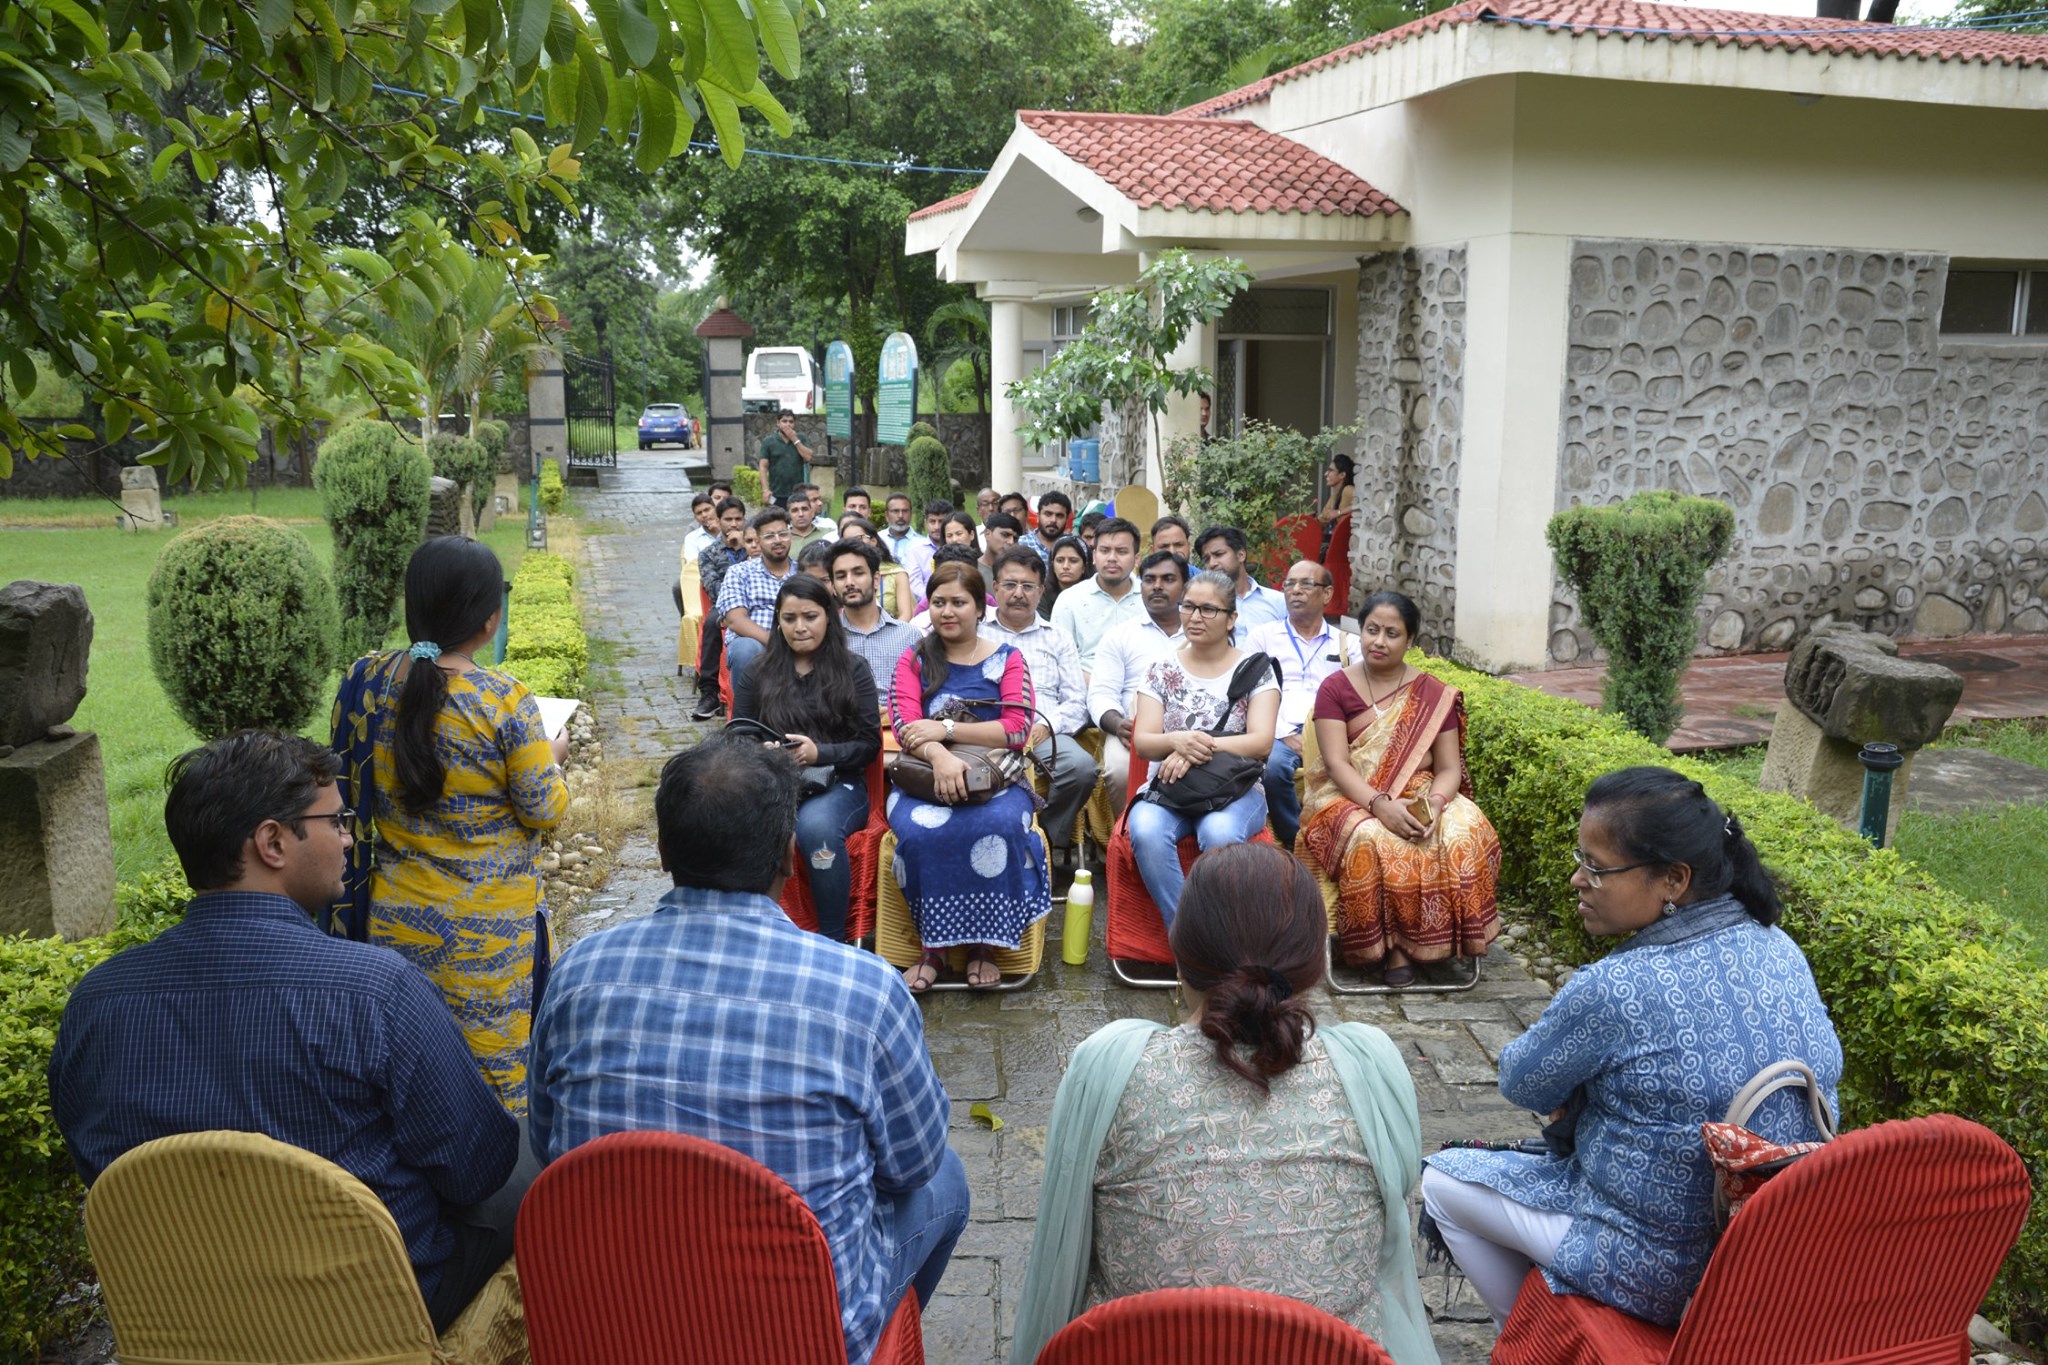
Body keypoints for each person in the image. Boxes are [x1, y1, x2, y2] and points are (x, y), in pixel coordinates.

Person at [49, 731, 525, 1333]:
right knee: (532, 1159)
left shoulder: (95, 1003)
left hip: (186, 1317)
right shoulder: (376, 992)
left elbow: (102, 1168)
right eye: (337, 820)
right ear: (273, 841)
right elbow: (474, 1168)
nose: (350, 837)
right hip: (373, 1314)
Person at [529, 734, 969, 1364]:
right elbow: (913, 1165)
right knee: (948, 1178)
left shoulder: (576, 975)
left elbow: (549, 1149)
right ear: (789, 857)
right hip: (799, 1336)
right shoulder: (865, 990)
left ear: (660, 852)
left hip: (613, 1320)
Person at [1421, 768, 1843, 1331]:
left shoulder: (1616, 986)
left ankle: (1534, 1336)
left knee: (1443, 1182)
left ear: (1673, 879)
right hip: (1778, 1252)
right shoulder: (1778, 944)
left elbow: (1522, 1081)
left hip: (1669, 1270)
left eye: (1596, 868)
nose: (1576, 879)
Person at [1009, 844, 1438, 1365]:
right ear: (1314, 961)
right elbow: (1390, 1238)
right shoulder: (1371, 1067)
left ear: (1178, 949)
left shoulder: (1109, 1067)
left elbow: (1060, 1254)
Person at [330, 536, 570, 1112]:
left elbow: (343, 777)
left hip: (390, 923)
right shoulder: (503, 700)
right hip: (488, 937)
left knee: (410, 1075)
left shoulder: (366, 680)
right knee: (493, 1083)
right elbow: (545, 809)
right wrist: (551, 756)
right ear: (490, 620)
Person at [1298, 590, 1501, 987]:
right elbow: (1337, 764)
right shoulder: (1335, 689)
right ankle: (1390, 948)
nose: (1379, 641)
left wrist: (1436, 805)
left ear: (1410, 641)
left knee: (1463, 831)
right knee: (1373, 839)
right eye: (1372, 630)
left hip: (1424, 790)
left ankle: (1438, 941)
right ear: (1359, 633)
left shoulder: (1432, 693)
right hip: (1348, 792)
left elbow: (1448, 769)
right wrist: (1380, 805)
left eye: (1392, 633)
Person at [889, 560, 1052, 991]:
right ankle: (934, 948)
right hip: (924, 777)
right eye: (939, 602)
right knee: (921, 833)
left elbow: (1018, 729)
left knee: (995, 826)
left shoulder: (1007, 659)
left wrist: (946, 729)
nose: (947, 611)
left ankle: (984, 944)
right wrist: (940, 758)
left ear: (981, 607)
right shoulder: (915, 658)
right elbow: (904, 724)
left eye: (959, 602)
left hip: (996, 779)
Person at [1125, 571, 1280, 928]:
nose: (1195, 617)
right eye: (1189, 607)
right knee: (1146, 828)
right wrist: (1176, 740)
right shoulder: (1161, 670)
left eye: (1208, 609)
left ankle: (1215, 937)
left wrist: (1194, 746)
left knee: (1219, 833)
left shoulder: (1255, 670)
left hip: (1236, 788)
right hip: (1171, 788)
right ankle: (1189, 936)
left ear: (1231, 618)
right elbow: (1144, 741)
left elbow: (1260, 742)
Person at [733, 576, 884, 942]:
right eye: (789, 618)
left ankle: (832, 941)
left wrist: (820, 753)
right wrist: (762, 752)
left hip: (840, 781)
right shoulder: (759, 671)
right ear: (778, 621)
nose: (800, 627)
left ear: (829, 617)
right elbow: (739, 734)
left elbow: (869, 744)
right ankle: (751, 935)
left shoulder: (853, 669)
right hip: (774, 779)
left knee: (815, 828)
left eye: (810, 616)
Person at [983, 546, 1099, 854]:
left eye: (1028, 586)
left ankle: (1043, 840)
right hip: (988, 733)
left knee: (1081, 768)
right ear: (995, 588)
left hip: (1043, 733)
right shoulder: (978, 632)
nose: (1018, 593)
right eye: (1010, 584)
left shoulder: (1057, 636)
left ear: (1041, 590)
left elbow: (1077, 701)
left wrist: (1048, 728)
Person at [1246, 561, 1354, 849]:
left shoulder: (1347, 644)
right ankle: (1298, 842)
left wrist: (1318, 736)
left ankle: (1341, 838)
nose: (1295, 591)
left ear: (1327, 593)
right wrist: (1281, 733)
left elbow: (1357, 697)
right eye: (1289, 584)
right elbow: (1250, 692)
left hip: (1330, 731)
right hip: (1278, 731)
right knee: (1275, 768)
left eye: (1306, 584)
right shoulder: (1263, 637)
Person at [1088, 550, 1186, 812]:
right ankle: (1128, 835)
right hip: (1133, 731)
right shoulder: (1120, 636)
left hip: (1193, 729)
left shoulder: (1201, 632)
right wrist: (1117, 723)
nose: (1156, 586)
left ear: (1185, 587)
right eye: (1148, 579)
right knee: (1120, 770)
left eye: (1167, 579)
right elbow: (1100, 694)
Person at [716, 506, 799, 696]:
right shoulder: (740, 572)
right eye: (769, 536)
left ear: (790, 536)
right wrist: (775, 643)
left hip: (797, 640)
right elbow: (735, 620)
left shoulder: (802, 571)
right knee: (745, 649)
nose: (778, 540)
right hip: (756, 642)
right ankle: (748, 721)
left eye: (782, 534)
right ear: (758, 541)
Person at [1050, 516, 1145, 675]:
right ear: (1094, 556)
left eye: (1121, 551)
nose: (1112, 558)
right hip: (1083, 689)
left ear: (1136, 559)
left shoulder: (1150, 599)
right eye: (1104, 550)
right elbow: (1057, 659)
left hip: (1140, 691)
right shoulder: (1070, 600)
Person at [830, 538, 922, 701]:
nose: (849, 582)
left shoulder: (909, 636)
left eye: (858, 573)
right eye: (841, 576)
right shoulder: (827, 637)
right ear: (833, 586)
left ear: (876, 580)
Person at [692, 496, 750, 721]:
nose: (734, 524)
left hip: (759, 601)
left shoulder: (754, 546)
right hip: (726, 605)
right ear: (719, 520)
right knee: (710, 623)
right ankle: (709, 693)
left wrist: (744, 545)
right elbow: (713, 587)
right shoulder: (708, 553)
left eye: (738, 519)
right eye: (728, 519)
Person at [1194, 525, 1287, 641]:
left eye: (1219, 554)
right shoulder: (1202, 608)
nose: (1212, 563)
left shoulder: (1278, 602)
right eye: (1207, 559)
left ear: (1241, 555)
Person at [881, 492, 935, 595]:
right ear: (887, 515)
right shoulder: (877, 540)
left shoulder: (923, 544)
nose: (900, 516)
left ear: (911, 514)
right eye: (895, 511)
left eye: (905, 511)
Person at [758, 408, 813, 506]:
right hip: (776, 492)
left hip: (798, 493)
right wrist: (765, 490)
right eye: (784, 421)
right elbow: (763, 466)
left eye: (791, 422)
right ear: (778, 423)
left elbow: (808, 457)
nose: (788, 424)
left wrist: (794, 439)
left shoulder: (801, 438)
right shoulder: (769, 441)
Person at [1042, 534, 1092, 622]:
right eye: (1060, 560)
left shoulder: (1094, 595)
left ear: (1084, 567)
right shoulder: (1041, 593)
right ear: (1052, 565)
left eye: (1073, 561)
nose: (1065, 566)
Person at [1024, 490, 1070, 563]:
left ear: (1067, 519)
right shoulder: (1022, 543)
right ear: (1038, 516)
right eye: (1048, 514)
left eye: (1059, 516)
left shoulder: (1076, 546)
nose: (1053, 520)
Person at [788, 489, 832, 554]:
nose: (801, 514)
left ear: (811, 511)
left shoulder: (829, 533)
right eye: (795, 510)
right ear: (789, 514)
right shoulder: (783, 539)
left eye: (804, 509)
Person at [1319, 452, 1357, 527]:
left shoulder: (1348, 490)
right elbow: (1322, 520)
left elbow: (1364, 503)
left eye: (1331, 470)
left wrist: (1338, 512)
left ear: (1342, 475)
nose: (1326, 474)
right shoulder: (1334, 495)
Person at [979, 510, 1023, 575]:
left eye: (1015, 538)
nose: (1011, 542)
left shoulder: (1020, 572)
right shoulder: (971, 569)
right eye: (1005, 535)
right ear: (987, 534)